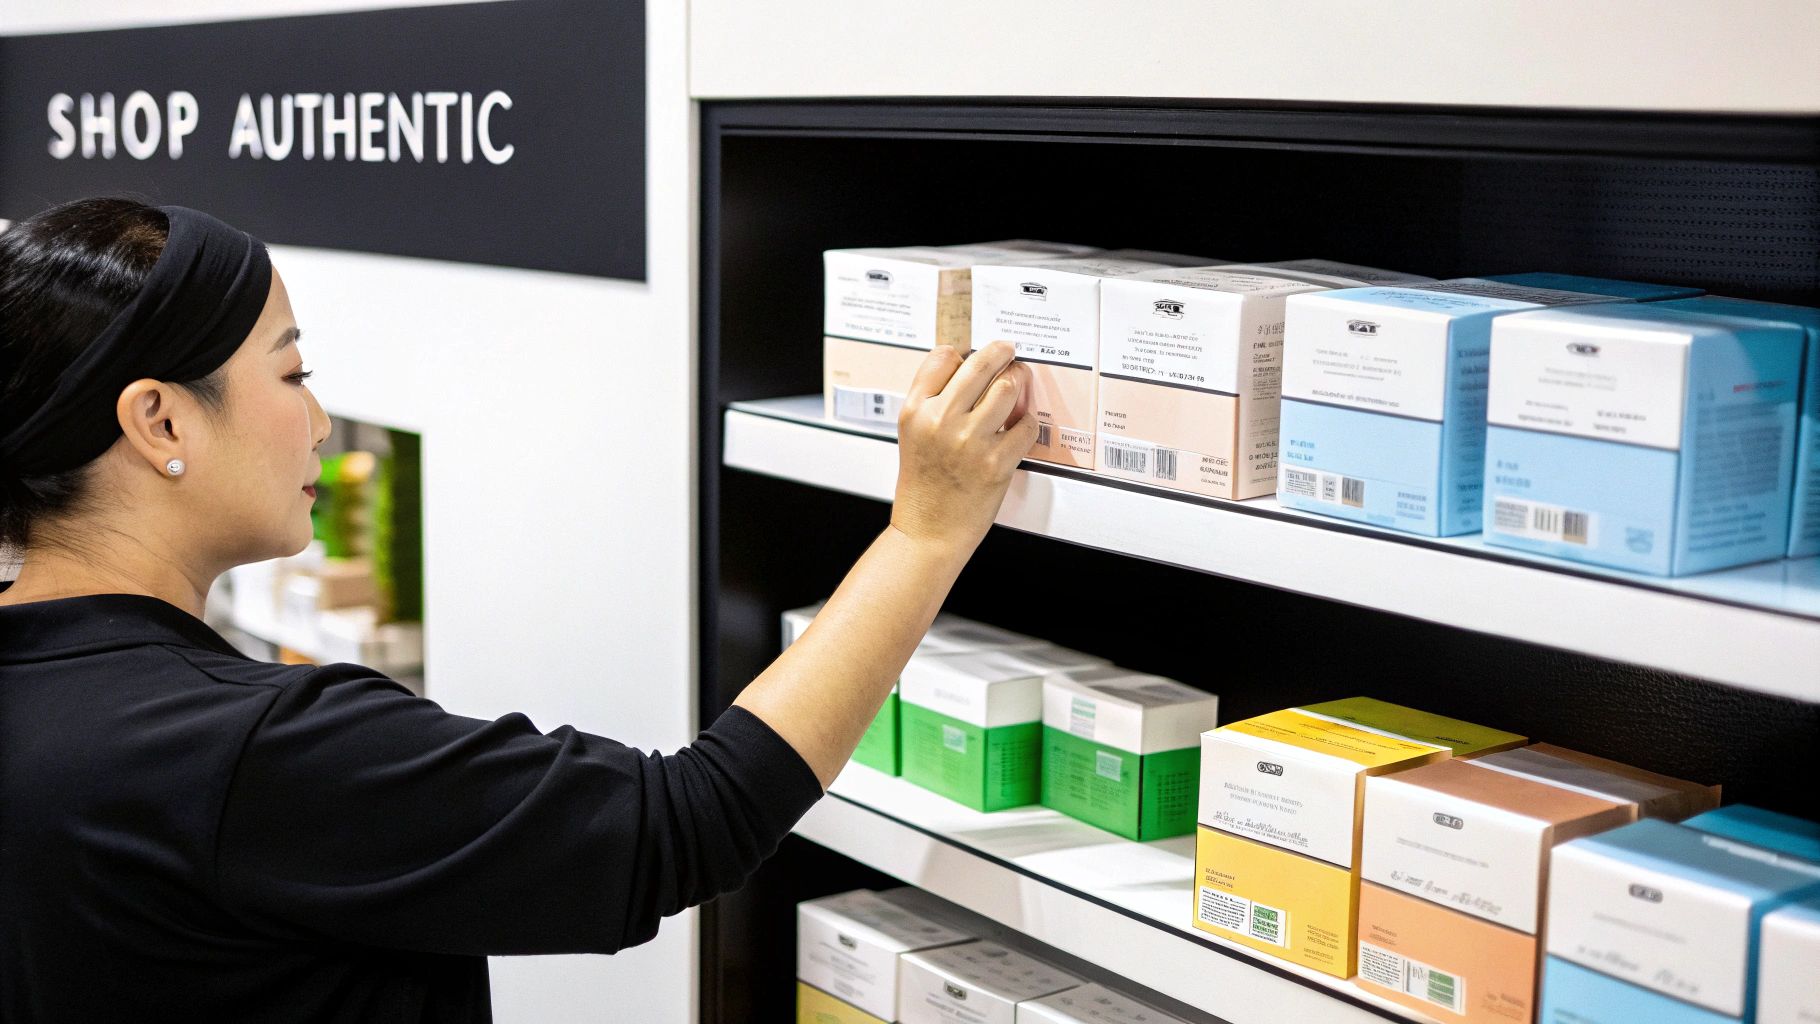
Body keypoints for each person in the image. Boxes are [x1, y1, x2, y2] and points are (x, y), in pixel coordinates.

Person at [0, 197, 1039, 1021]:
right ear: (160, 417)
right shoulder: (249, 753)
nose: (317, 419)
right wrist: (924, 532)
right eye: (292, 371)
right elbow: (686, 822)